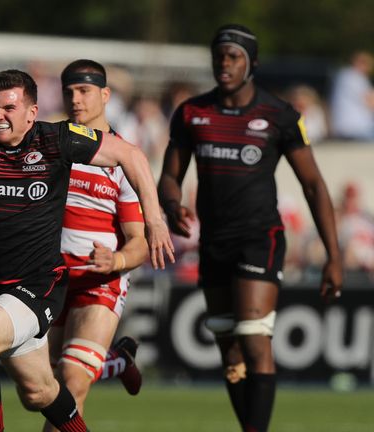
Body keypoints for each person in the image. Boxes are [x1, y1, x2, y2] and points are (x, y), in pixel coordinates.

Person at [0, 69, 173, 432]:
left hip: (39, 285)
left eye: (9, 108)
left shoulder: (56, 139)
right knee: (40, 392)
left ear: (32, 112)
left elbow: (132, 156)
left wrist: (154, 220)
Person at [158, 24, 343, 432]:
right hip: (214, 243)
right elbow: (169, 176)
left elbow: (313, 184)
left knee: (255, 338)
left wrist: (334, 255)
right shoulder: (191, 113)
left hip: (261, 239)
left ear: (252, 63)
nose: (225, 63)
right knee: (231, 355)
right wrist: (172, 204)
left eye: (234, 56)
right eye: (219, 55)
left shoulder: (279, 115)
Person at [38, 59, 151, 432]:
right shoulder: (52, 149)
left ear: (105, 95)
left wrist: (116, 259)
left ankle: (109, 362)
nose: (75, 100)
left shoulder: (122, 160)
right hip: (52, 279)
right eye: (69, 91)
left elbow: (140, 244)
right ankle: (117, 362)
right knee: (45, 387)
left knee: (72, 381)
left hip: (99, 282)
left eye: (84, 91)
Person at [329, 51, 374, 141]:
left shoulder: (344, 75)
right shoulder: (353, 77)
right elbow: (370, 101)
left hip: (349, 128)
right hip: (356, 128)